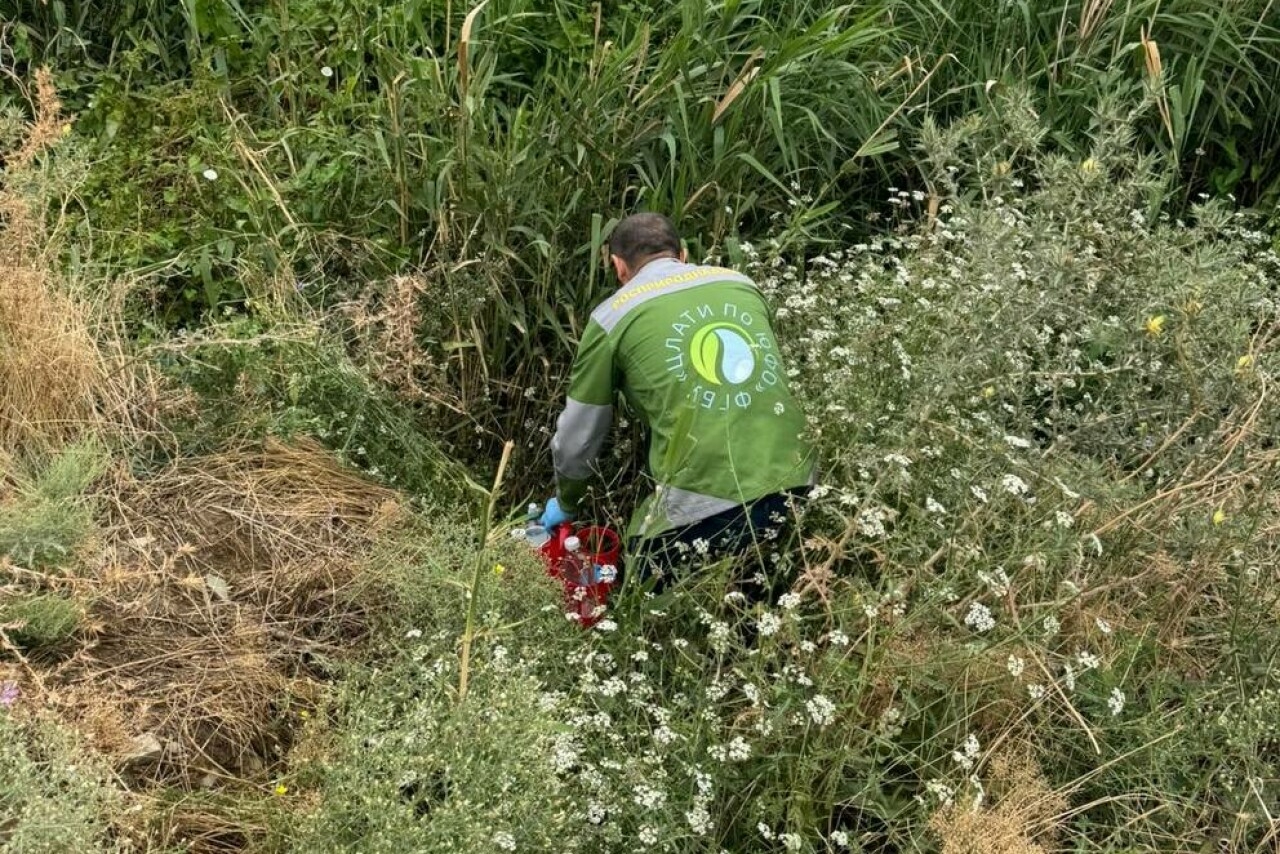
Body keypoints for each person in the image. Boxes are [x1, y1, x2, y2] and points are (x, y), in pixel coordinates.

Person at [539, 213, 814, 595]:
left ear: (619, 267)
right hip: (798, 478)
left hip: (708, 495)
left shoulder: (612, 316)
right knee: (759, 592)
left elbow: (578, 437)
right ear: (683, 255)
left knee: (635, 590)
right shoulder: (741, 284)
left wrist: (566, 503)